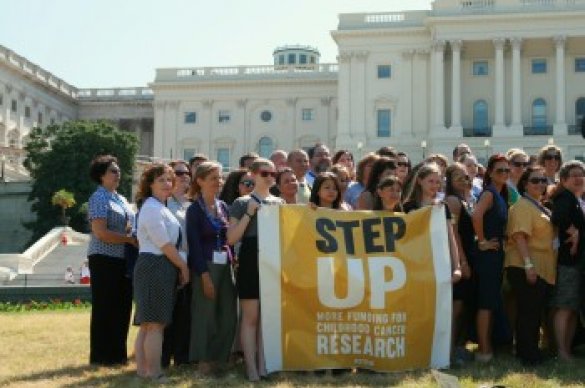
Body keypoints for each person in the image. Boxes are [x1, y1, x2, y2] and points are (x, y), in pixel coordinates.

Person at [227, 158, 284, 381]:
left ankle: (263, 365)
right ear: (252, 174)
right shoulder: (241, 203)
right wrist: (250, 213)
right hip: (250, 258)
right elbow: (231, 238)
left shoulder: (279, 203)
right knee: (250, 317)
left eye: (273, 173)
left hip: (273, 258)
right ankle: (251, 367)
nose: (270, 177)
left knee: (266, 318)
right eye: (265, 173)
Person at [133, 164, 190, 381]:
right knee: (154, 324)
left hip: (160, 265)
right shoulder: (151, 208)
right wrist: (183, 267)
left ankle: (144, 371)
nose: (167, 184)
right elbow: (165, 244)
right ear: (150, 184)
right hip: (155, 265)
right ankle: (154, 372)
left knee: (149, 324)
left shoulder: (160, 207)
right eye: (161, 180)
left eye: (169, 179)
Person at [186, 161, 237, 374]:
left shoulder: (223, 206)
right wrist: (204, 276)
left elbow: (227, 238)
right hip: (205, 266)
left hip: (225, 266)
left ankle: (220, 357)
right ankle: (204, 361)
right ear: (200, 181)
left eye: (220, 177)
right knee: (205, 315)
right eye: (213, 178)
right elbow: (194, 246)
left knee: (228, 314)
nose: (219, 182)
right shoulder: (194, 210)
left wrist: (233, 260)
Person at [87, 155, 136, 365]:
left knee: (122, 306)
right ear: (101, 176)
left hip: (122, 258)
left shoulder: (121, 199)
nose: (118, 174)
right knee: (105, 306)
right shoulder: (98, 198)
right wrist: (129, 240)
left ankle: (117, 354)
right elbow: (100, 232)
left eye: (118, 170)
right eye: (113, 171)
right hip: (104, 258)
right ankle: (101, 356)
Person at [505, 166, 556, 365]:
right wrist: (528, 265)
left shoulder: (538, 205)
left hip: (540, 265)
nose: (540, 184)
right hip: (525, 264)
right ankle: (528, 355)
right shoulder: (522, 206)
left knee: (534, 310)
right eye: (535, 181)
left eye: (543, 180)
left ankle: (531, 350)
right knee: (528, 311)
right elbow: (519, 237)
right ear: (524, 184)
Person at [471, 154, 510, 362]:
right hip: (488, 255)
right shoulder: (489, 193)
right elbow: (476, 215)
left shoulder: (500, 193)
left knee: (492, 300)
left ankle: (488, 347)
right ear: (489, 172)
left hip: (496, 255)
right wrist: (482, 241)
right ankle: (484, 350)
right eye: (499, 170)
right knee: (486, 302)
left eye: (507, 170)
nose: (504, 174)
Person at [550, 160, 585, 361]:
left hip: (576, 262)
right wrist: (574, 232)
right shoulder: (565, 196)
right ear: (563, 180)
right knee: (564, 307)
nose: (579, 178)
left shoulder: (576, 198)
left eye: (581, 174)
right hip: (567, 262)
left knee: (572, 308)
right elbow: (559, 217)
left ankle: (567, 350)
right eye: (574, 175)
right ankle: (561, 351)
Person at [161, 160, 192, 367]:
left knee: (184, 312)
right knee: (167, 312)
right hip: (169, 259)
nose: (184, 176)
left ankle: (181, 356)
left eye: (187, 172)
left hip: (189, 261)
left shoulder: (190, 204)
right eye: (179, 172)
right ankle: (163, 357)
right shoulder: (162, 203)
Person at [444, 163, 474, 365]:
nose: (463, 180)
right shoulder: (453, 201)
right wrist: (462, 261)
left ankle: (457, 347)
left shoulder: (467, 199)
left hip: (470, 255)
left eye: (466, 176)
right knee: (457, 306)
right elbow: (453, 233)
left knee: (464, 305)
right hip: (459, 258)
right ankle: (448, 350)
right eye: (457, 176)